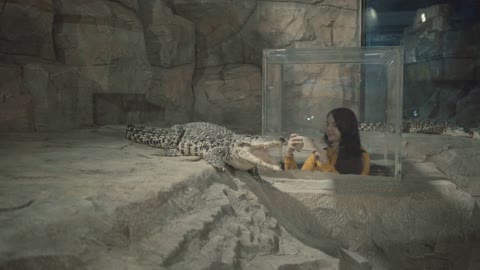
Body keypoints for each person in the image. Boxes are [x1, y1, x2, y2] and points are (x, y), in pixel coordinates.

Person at [284, 107, 370, 175]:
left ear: (347, 127)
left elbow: (349, 189)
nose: (329, 129)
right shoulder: (320, 151)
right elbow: (300, 181)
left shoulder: (361, 155)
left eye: (335, 125)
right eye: (327, 124)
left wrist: (324, 163)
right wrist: (289, 155)